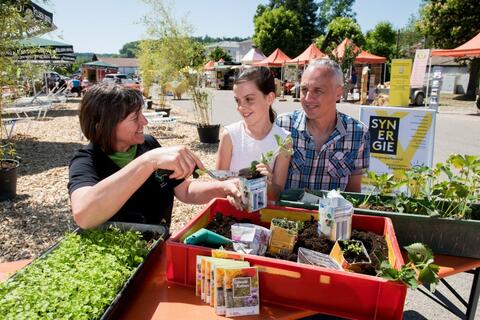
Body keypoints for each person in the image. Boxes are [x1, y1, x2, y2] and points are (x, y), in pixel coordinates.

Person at [68, 84, 241, 229]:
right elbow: (84, 216)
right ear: (103, 125)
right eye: (135, 117)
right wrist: (148, 162)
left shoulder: (148, 145)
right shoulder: (86, 159)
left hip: (158, 245)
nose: (144, 122)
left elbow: (185, 190)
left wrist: (223, 188)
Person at [276, 59, 370, 192]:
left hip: (332, 213)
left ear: (338, 93)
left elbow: (353, 191)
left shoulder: (358, 133)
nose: (308, 98)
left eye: (318, 91)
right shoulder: (283, 125)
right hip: (288, 213)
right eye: (304, 89)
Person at [216, 66, 291, 201]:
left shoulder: (284, 140)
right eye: (237, 100)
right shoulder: (229, 135)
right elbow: (217, 186)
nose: (240, 107)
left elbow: (277, 193)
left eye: (249, 99)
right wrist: (229, 193)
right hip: (232, 215)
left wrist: (268, 184)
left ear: (269, 98)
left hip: (263, 216)